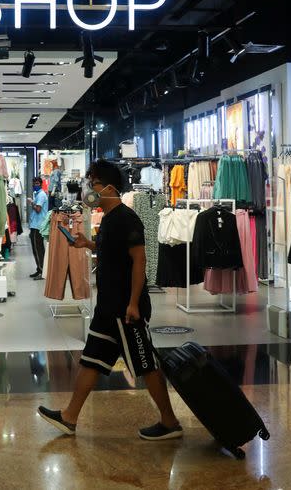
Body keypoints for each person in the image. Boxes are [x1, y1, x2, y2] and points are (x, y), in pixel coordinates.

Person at [38, 159, 182, 440]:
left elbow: (139, 261)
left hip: (126, 310)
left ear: (110, 187)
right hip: (107, 308)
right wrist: (87, 244)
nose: (90, 190)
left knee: (146, 365)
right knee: (91, 360)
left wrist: (132, 303)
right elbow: (110, 252)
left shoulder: (128, 219)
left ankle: (170, 421)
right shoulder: (109, 219)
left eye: (94, 185)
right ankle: (69, 417)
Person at [28, 177, 49, 280]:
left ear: (40, 184)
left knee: (38, 249)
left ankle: (42, 271)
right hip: (35, 225)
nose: (35, 185)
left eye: (37, 183)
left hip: (38, 226)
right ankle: (39, 269)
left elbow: (38, 209)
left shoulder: (41, 195)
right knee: (36, 249)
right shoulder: (39, 194)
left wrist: (32, 202)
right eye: (34, 183)